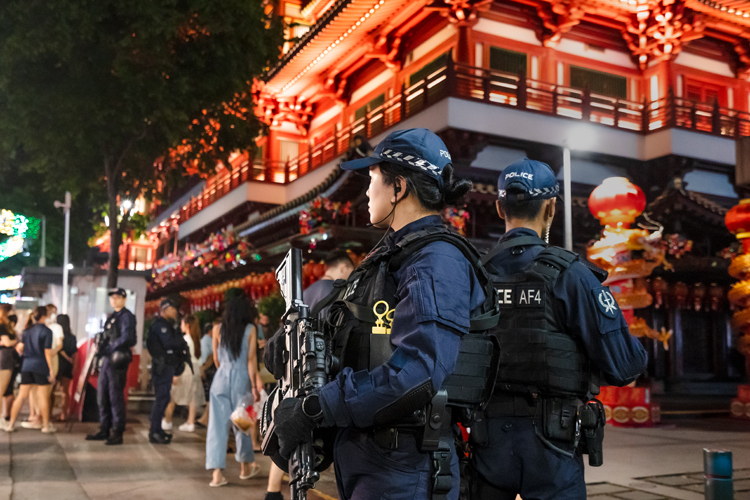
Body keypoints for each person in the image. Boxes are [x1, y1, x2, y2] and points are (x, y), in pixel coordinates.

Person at [267, 128, 487, 500]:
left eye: (372, 180)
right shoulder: (391, 254)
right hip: (376, 460)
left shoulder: (435, 260)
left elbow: (418, 372)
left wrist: (318, 407)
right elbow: (362, 333)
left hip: (406, 466)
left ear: (398, 188)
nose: (367, 192)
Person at [469, 158, 649, 499]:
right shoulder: (571, 275)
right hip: (552, 440)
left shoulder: (474, 275)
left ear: (498, 207)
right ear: (551, 208)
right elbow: (627, 364)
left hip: (484, 438)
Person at [263, 249, 355, 500]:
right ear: (344, 267)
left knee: (291, 431)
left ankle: (272, 491)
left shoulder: (309, 290)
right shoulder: (337, 291)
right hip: (320, 374)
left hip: (299, 371)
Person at [206, 293, 262, 487]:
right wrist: (255, 386)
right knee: (242, 424)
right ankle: (245, 468)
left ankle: (216, 475)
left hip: (220, 379)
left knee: (217, 427)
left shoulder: (216, 329)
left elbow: (215, 358)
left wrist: (225, 369)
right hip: (242, 380)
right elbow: (251, 360)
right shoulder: (250, 330)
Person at [86, 288, 137, 445]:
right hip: (108, 359)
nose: (114, 300)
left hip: (117, 358)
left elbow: (127, 337)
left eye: (117, 297)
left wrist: (110, 347)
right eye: (112, 297)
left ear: (124, 299)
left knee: (115, 397)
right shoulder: (112, 316)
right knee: (103, 395)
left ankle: (117, 431)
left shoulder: (126, 316)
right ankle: (104, 428)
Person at [6, 306, 55, 433]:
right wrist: (51, 370)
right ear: (45, 316)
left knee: (21, 396)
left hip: (27, 365)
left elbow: (21, 347)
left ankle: (11, 424)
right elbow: (47, 353)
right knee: (43, 396)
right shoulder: (47, 332)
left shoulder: (27, 331)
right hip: (40, 365)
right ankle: (45, 426)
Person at [146, 297, 189, 444]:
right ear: (165, 309)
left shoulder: (167, 325)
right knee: (162, 398)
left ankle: (157, 429)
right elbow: (169, 342)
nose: (175, 311)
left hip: (166, 366)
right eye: (173, 308)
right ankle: (154, 431)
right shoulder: (161, 326)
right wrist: (181, 342)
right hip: (163, 366)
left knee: (163, 398)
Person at [162, 314, 205, 433]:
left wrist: (175, 374)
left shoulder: (184, 340)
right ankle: (190, 422)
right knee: (192, 398)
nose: (181, 326)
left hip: (184, 370)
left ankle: (167, 421)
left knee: (172, 397)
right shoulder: (197, 341)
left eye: (182, 323)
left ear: (187, 325)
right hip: (195, 370)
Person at [55, 314, 77, 422]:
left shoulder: (56, 336)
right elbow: (74, 352)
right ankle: (64, 414)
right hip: (67, 366)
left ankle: (48, 413)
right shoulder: (72, 337)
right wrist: (72, 363)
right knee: (65, 392)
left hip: (56, 364)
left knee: (51, 391)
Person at [196, 320, 217, 428]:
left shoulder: (203, 340)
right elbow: (213, 356)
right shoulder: (210, 341)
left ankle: (205, 418)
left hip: (204, 368)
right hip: (209, 369)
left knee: (208, 395)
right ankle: (206, 419)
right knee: (209, 396)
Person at [0, 305, 18, 415]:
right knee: (2, 390)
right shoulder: (2, 326)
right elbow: (7, 342)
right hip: (5, 358)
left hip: (4, 357)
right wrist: (15, 341)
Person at [3, 314, 20, 421]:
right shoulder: (13, 333)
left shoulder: (10, 332)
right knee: (7, 389)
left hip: (9, 363)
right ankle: (6, 414)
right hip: (9, 363)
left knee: (7, 389)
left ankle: (6, 414)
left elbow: (7, 343)